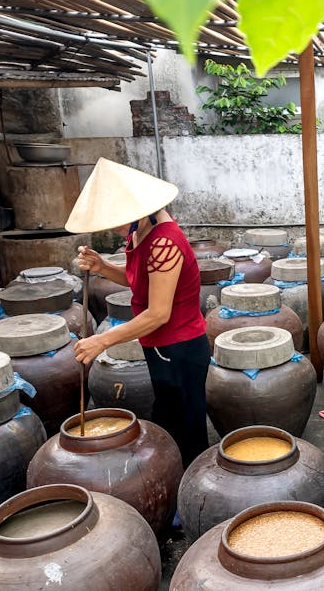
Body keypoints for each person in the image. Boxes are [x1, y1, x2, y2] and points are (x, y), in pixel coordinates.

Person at [65, 158, 210, 465]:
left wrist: (102, 341)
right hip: (158, 346)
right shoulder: (139, 232)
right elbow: (139, 282)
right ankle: (174, 475)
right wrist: (103, 267)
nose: (114, 229)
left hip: (180, 347)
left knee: (187, 425)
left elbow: (158, 313)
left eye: (115, 220)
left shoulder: (164, 243)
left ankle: (193, 486)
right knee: (168, 416)